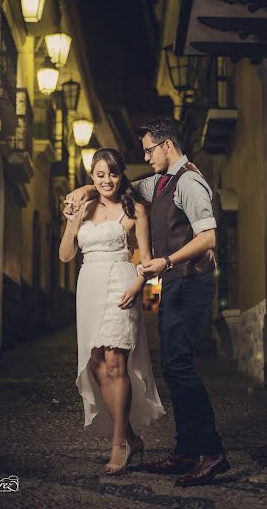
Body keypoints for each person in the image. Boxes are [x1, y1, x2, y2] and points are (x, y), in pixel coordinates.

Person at [65, 119, 229, 487]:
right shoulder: (161, 182)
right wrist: (82, 189)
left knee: (180, 365)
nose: (145, 155)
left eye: (149, 149)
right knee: (172, 366)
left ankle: (211, 451)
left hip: (191, 280)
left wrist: (166, 261)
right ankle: (187, 450)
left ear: (167, 145)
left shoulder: (189, 182)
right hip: (174, 280)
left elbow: (209, 238)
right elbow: (115, 184)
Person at [59, 148, 164, 476]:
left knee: (116, 363)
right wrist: (71, 222)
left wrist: (137, 287)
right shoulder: (83, 207)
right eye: (100, 175)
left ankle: (119, 444)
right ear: (92, 176)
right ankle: (131, 437)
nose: (107, 181)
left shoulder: (136, 210)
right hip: (88, 286)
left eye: (113, 174)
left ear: (121, 175)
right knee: (96, 365)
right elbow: (65, 255)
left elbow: (147, 260)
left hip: (121, 284)